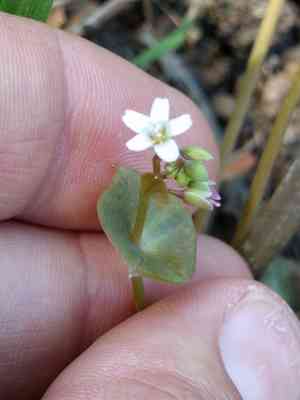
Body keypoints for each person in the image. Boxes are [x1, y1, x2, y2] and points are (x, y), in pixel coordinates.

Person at [0, 12, 299, 400]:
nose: (159, 134)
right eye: (157, 133)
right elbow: (151, 156)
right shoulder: (152, 147)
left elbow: (166, 159)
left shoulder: (166, 151)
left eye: (161, 133)